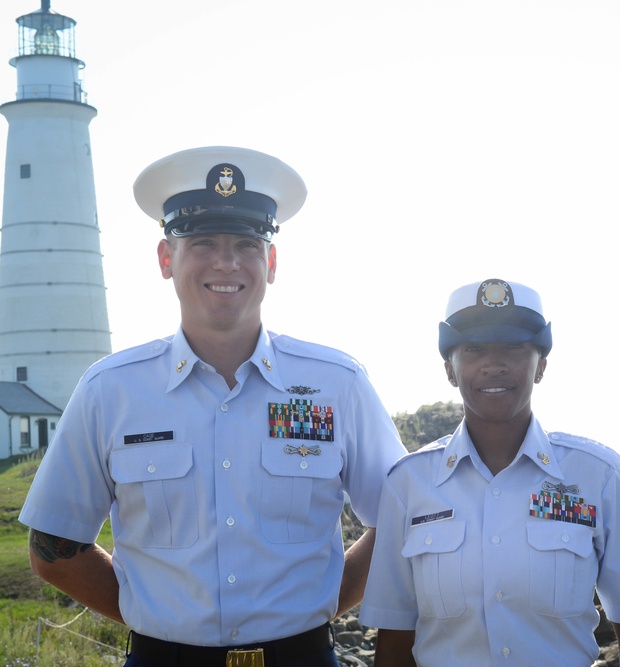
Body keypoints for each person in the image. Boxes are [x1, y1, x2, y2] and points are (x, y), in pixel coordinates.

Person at [19, 146, 407, 667]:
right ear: (165, 258)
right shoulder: (109, 391)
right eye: (202, 242)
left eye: (247, 244)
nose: (226, 262)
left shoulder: (338, 384)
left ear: (270, 262)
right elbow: (55, 548)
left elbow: (402, 521)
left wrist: (321, 604)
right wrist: (154, 618)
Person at [359, 278, 620, 666]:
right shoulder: (408, 484)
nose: (494, 365)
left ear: (541, 366)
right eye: (473, 350)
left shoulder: (598, 478)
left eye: (514, 348)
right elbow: (393, 646)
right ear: (449, 371)